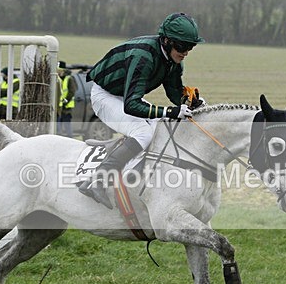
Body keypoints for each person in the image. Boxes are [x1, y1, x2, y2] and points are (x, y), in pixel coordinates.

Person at [77, 12, 205, 209]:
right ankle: (97, 181)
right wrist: (170, 112)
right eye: (182, 46)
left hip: (124, 95)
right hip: (105, 96)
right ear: (166, 41)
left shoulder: (173, 61)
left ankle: (143, 175)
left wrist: (191, 102)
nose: (186, 51)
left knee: (161, 128)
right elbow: (132, 105)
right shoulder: (143, 57)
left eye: (190, 47)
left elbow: (174, 93)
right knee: (143, 132)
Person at [57, 65, 75, 138]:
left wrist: (66, 101)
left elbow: (72, 91)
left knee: (67, 125)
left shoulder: (69, 79)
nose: (58, 72)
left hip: (67, 107)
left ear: (63, 71)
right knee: (59, 126)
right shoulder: (58, 79)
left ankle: (70, 139)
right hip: (60, 106)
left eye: (60, 70)